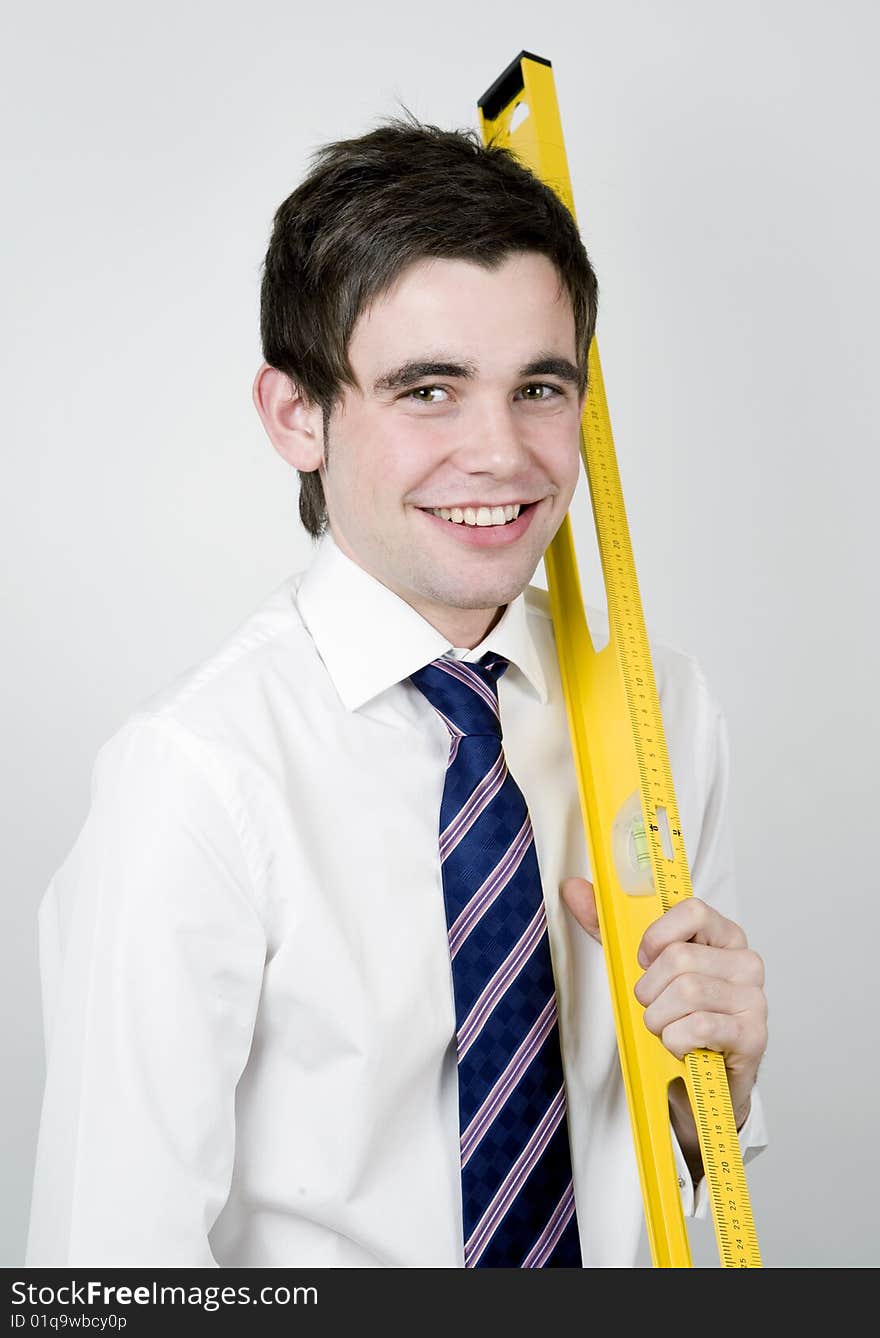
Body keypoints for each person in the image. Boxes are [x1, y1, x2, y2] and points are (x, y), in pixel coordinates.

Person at [25, 116, 768, 1269]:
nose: (500, 454)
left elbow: (666, 1174)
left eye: (538, 386)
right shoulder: (197, 776)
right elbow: (111, 1266)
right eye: (427, 390)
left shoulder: (659, 710)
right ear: (296, 416)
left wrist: (706, 1096)